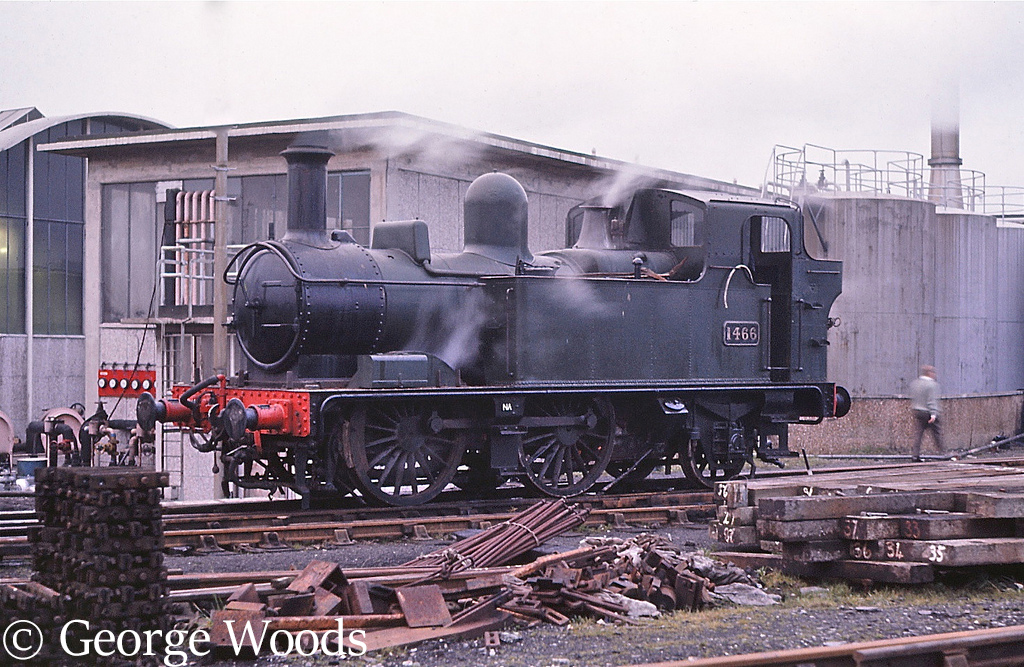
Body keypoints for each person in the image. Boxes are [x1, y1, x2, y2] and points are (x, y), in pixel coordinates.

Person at [909, 365, 944, 461]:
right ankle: (943, 453)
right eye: (933, 373)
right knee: (937, 433)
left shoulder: (915, 383)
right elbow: (931, 400)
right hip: (928, 412)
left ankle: (915, 455)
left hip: (917, 411)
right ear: (930, 373)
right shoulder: (932, 385)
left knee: (918, 434)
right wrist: (933, 414)